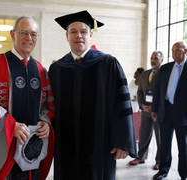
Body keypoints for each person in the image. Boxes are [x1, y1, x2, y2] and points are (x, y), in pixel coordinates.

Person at [49, 10, 137, 180]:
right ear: (66, 36)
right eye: (73, 31)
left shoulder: (108, 64)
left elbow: (122, 104)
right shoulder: (57, 68)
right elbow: (50, 106)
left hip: (100, 143)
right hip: (65, 145)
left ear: (90, 35)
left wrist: (122, 141)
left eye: (83, 31)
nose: (78, 35)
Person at [0, 15, 55, 180]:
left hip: (32, 150)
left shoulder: (41, 70)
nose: (29, 38)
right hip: (5, 149)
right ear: (12, 34)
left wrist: (45, 121)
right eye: (23, 32)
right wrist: (10, 125)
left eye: (33, 34)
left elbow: (48, 106)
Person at [151, 41, 187, 180]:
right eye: (172, 51)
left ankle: (184, 173)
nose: (174, 54)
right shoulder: (165, 68)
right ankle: (163, 170)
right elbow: (158, 90)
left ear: (185, 50)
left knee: (182, 145)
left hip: (183, 113)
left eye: (177, 50)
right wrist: (155, 109)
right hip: (166, 110)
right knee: (164, 143)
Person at [129, 51, 163, 170]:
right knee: (143, 134)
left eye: (156, 58)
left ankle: (160, 160)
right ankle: (141, 157)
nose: (153, 60)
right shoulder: (144, 74)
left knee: (160, 137)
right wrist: (142, 105)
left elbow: (164, 94)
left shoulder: (164, 74)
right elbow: (140, 92)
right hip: (145, 110)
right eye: (152, 58)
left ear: (161, 60)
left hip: (158, 111)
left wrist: (154, 107)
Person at [128, 67, 144, 141]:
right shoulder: (132, 82)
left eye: (137, 73)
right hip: (130, 105)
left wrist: (138, 97)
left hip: (137, 107)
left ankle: (137, 140)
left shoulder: (143, 84)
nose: (135, 74)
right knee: (131, 124)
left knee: (137, 124)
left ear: (140, 75)